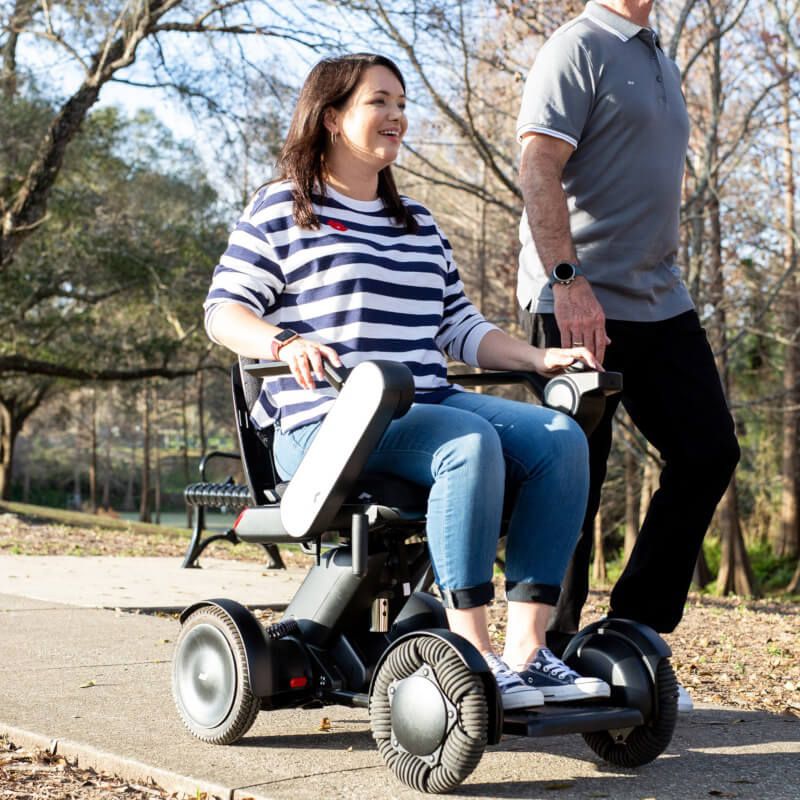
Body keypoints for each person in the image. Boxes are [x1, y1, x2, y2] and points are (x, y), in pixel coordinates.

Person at [205, 53, 611, 709]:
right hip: (327, 423)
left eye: (401, 103)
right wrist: (285, 341)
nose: (397, 116)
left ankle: (528, 652)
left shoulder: (417, 222)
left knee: (560, 438)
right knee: (468, 441)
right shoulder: (285, 208)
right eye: (379, 102)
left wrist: (537, 361)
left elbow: (458, 326)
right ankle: (473, 654)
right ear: (332, 117)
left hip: (426, 405)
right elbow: (224, 312)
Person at [515, 0, 741, 707]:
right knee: (573, 476)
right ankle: (543, 656)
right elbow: (538, 165)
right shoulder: (576, 47)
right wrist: (567, 280)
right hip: (579, 299)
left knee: (708, 450)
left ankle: (630, 637)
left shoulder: (658, 56)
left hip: (659, 299)